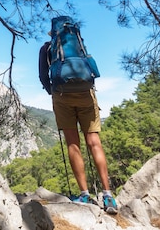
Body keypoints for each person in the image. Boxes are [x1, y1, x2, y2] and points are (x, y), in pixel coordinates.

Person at [39, 40, 118, 214]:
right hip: (86, 95)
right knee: (94, 142)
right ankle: (107, 195)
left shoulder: (46, 48)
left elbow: (43, 76)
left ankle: (84, 194)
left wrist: (52, 92)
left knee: (73, 144)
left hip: (61, 96)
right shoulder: (77, 44)